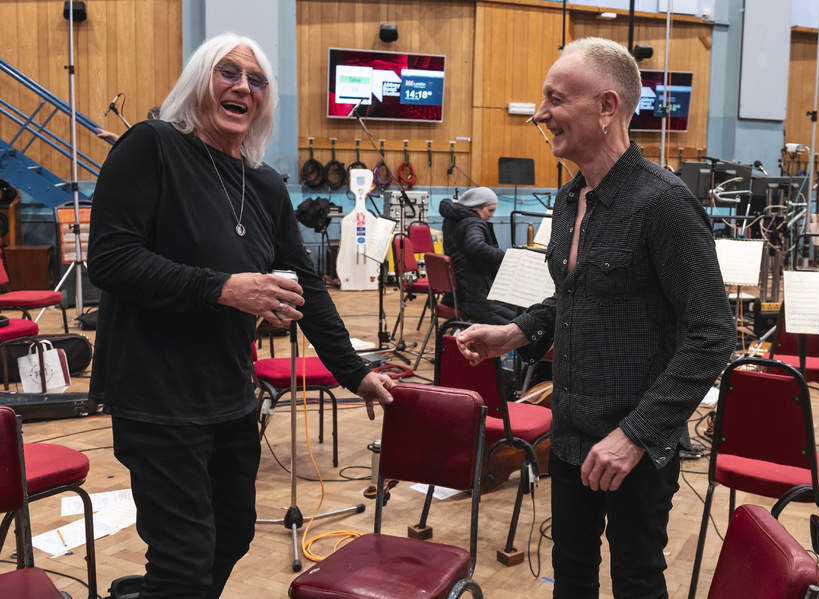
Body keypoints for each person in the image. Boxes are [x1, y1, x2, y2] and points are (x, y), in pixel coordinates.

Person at [88, 33, 393, 599]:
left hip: (229, 394)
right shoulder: (151, 146)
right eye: (228, 72)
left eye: (256, 81)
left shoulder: (265, 183)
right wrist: (223, 288)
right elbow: (110, 260)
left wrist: (355, 372)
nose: (242, 87)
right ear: (199, 81)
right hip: (155, 395)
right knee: (182, 559)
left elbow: (307, 289)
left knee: (231, 536)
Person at [456, 38, 735, 598]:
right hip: (570, 434)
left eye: (556, 100)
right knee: (572, 574)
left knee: (635, 580)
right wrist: (516, 331)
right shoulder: (569, 198)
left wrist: (634, 436)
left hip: (633, 445)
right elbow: (574, 296)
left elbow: (712, 334)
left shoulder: (665, 204)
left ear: (608, 107)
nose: (540, 114)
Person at [439, 187, 517, 324]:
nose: (492, 214)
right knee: (518, 320)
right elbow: (475, 245)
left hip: (457, 293)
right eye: (490, 210)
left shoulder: (452, 219)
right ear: (476, 207)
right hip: (472, 295)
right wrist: (503, 256)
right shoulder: (474, 223)